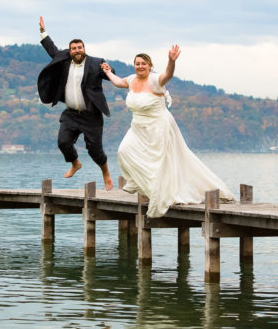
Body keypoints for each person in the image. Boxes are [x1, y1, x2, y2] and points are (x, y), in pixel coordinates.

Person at [100, 45, 236, 217]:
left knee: (161, 162)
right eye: (137, 63)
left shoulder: (155, 80)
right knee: (123, 151)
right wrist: (107, 72)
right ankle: (139, 183)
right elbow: (119, 82)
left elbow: (168, 75)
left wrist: (171, 61)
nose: (140, 66)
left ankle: (165, 192)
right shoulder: (132, 79)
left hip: (159, 126)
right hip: (138, 127)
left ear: (149, 66)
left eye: (143, 64)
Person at [37, 16, 114, 190]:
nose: (77, 50)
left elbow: (110, 73)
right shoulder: (64, 62)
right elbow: (51, 49)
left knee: (95, 151)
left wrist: (109, 70)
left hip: (91, 115)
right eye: (73, 48)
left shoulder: (96, 63)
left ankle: (106, 173)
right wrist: (43, 32)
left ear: (84, 49)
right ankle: (75, 163)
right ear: (70, 51)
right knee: (63, 142)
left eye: (80, 47)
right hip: (71, 113)